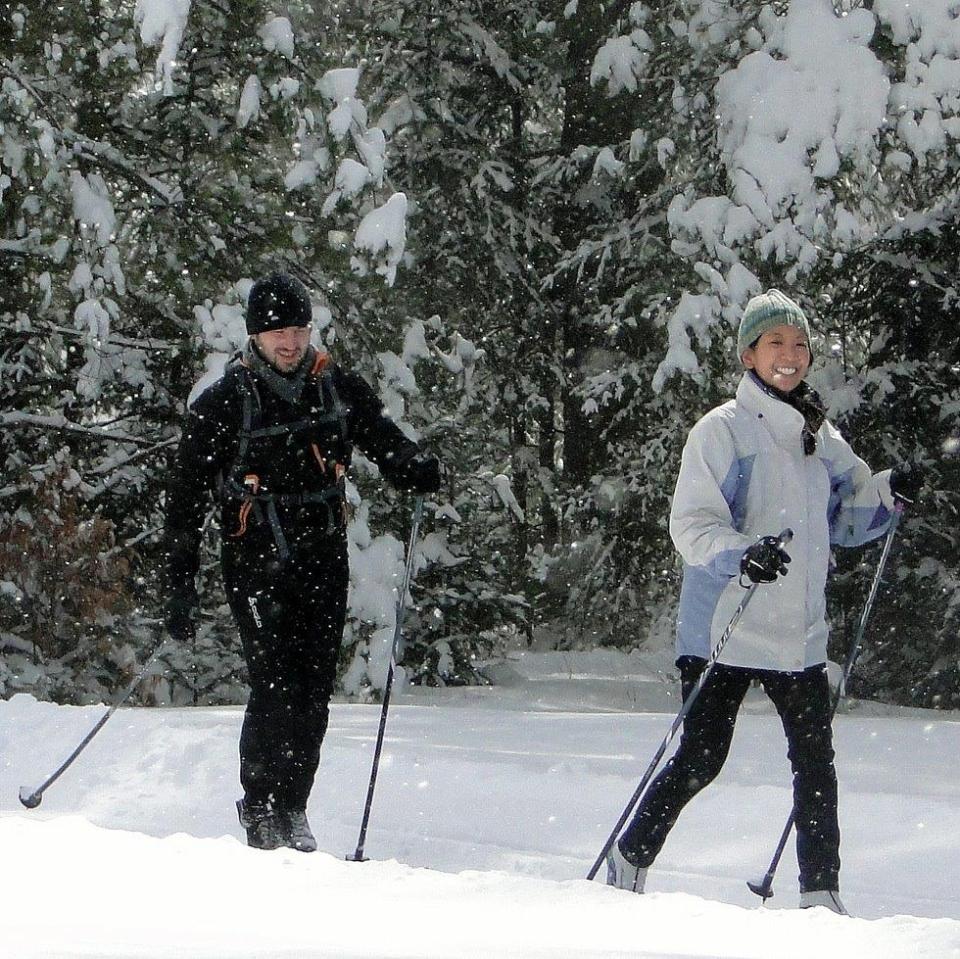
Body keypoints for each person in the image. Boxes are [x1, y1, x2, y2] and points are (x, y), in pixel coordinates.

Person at [606, 289, 922, 913]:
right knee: (701, 758)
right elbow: (691, 525)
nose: (791, 354)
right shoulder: (721, 430)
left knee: (815, 766)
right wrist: (742, 553)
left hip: (797, 633)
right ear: (749, 355)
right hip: (726, 624)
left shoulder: (817, 436)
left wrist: (890, 491)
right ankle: (630, 855)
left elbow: (851, 513)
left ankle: (821, 896)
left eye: (800, 344)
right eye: (776, 342)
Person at [162, 271, 441, 852]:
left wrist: (410, 464)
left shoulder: (332, 384)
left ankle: (294, 805)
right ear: (255, 337)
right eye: (276, 333)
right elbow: (184, 498)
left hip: (321, 555)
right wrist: (179, 585)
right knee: (273, 680)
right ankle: (259, 804)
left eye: (297, 329)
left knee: (313, 686)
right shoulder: (225, 401)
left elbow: (380, 436)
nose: (289, 342)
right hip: (254, 558)